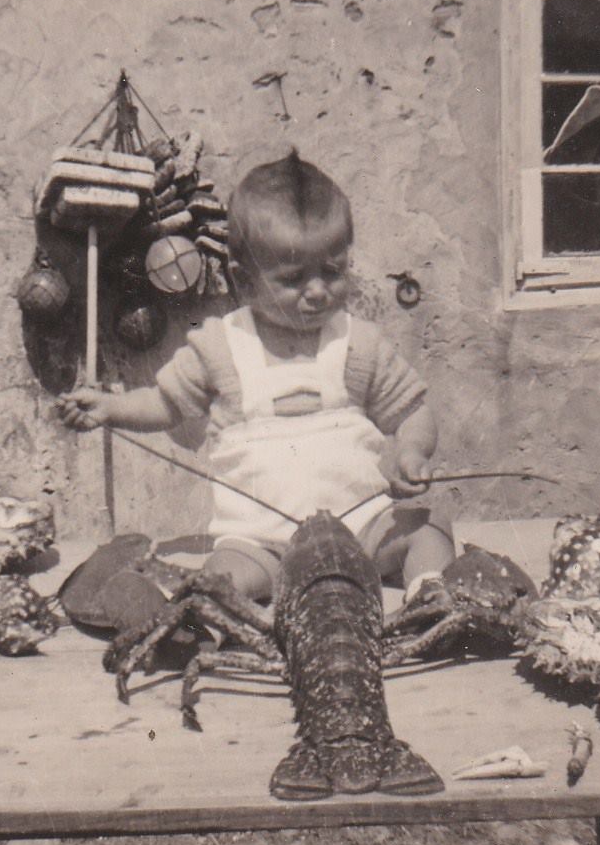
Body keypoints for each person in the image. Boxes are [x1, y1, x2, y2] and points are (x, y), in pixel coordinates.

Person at [58, 149, 455, 606]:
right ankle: (206, 616)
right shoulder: (220, 347)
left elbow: (412, 410)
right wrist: (110, 408)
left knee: (430, 528)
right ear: (242, 281)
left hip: (362, 531)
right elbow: (165, 404)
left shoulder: (359, 345)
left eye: (332, 271)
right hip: (260, 543)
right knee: (220, 578)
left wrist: (411, 451)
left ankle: (429, 595)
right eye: (293, 279)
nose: (318, 290)